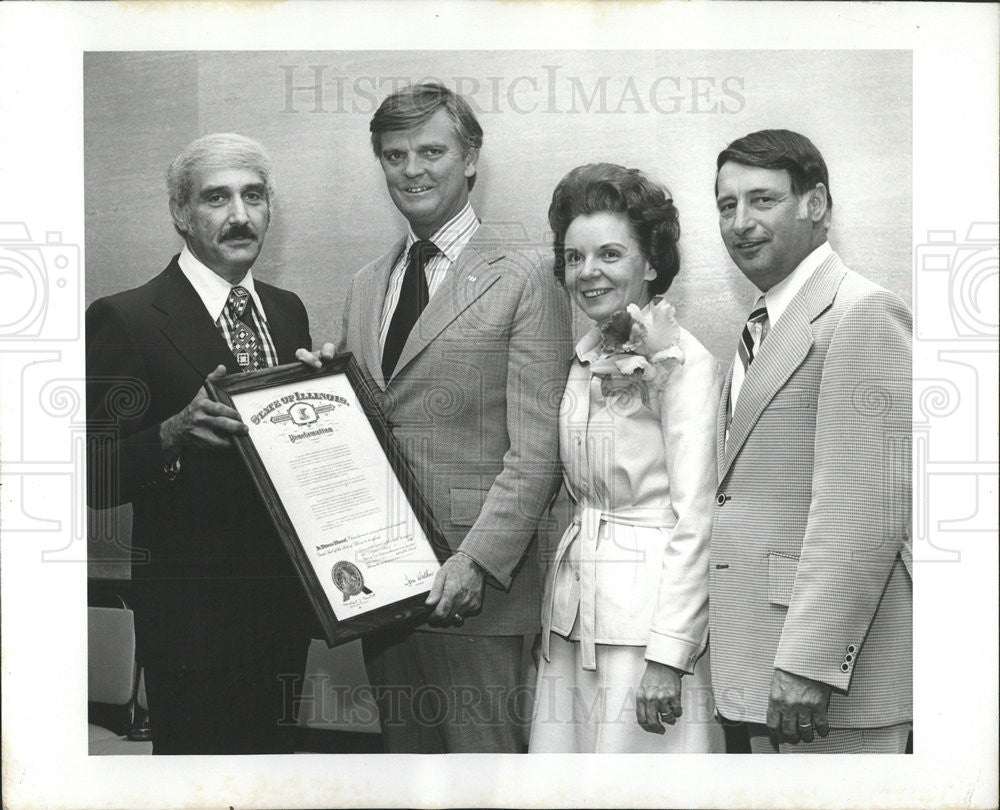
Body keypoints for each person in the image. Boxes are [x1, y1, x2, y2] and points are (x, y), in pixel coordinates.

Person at [299, 83, 573, 753]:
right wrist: (317, 401)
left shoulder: (529, 275)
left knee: (487, 781)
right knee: (407, 777)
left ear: (471, 159)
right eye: (395, 156)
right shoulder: (368, 283)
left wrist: (476, 563)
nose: (412, 170)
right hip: (383, 596)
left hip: (479, 596)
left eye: (432, 151)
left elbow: (537, 450)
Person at [86, 133, 314, 754]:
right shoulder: (125, 318)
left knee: (270, 779)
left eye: (254, 196)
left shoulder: (288, 312)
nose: (240, 215)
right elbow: (89, 479)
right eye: (217, 198)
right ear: (181, 215)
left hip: (285, 611)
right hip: (192, 625)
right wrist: (170, 432)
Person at [710, 129, 912, 753]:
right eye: (726, 205)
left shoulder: (862, 314)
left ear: (815, 203)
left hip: (831, 685)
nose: (740, 222)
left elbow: (864, 512)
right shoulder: (761, 323)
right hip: (761, 668)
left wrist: (810, 664)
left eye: (762, 200)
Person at [529, 163, 725, 753]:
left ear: (652, 263)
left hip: (647, 631)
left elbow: (698, 519)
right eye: (573, 257)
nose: (587, 272)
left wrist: (669, 654)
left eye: (609, 254)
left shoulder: (686, 364)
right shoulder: (584, 356)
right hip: (576, 616)